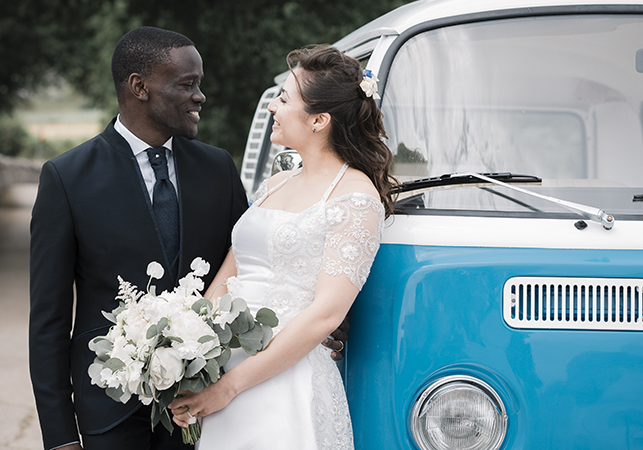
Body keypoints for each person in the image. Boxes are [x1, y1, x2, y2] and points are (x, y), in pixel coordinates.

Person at [29, 27, 347, 450]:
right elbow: (48, 321)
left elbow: (253, 268)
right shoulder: (67, 178)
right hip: (108, 408)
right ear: (139, 87)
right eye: (187, 84)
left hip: (208, 406)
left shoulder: (217, 168)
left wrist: (319, 321)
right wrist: (59, 436)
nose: (200, 96)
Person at [168, 45, 396, 449]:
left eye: (285, 98)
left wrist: (232, 387)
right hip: (222, 373)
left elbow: (326, 314)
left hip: (284, 380)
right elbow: (228, 273)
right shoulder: (275, 184)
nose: (273, 105)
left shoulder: (356, 198)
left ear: (319, 120)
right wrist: (192, 352)